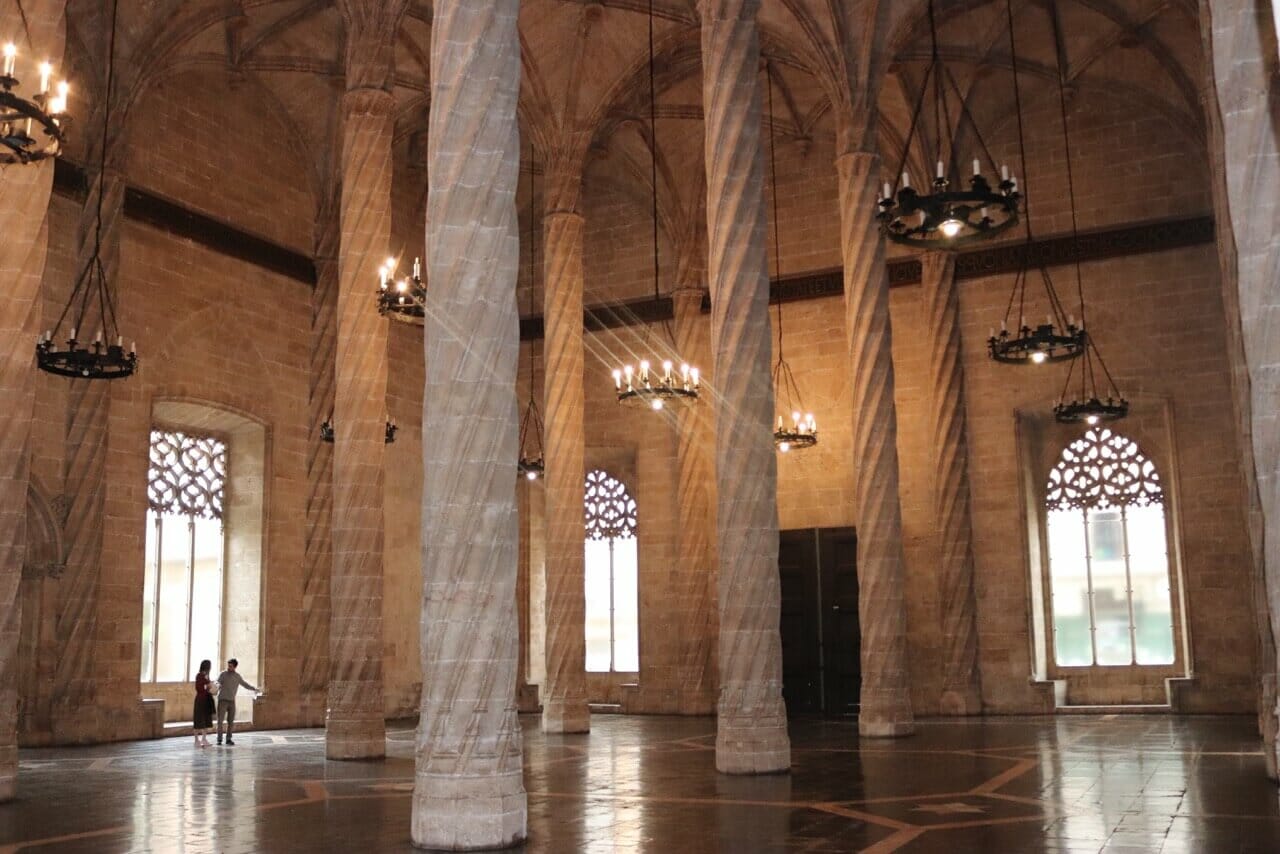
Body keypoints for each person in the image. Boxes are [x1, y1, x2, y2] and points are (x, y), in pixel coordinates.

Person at [215, 658, 258, 746]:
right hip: (222, 700)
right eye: (228, 665)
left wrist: (254, 688)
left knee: (231, 721)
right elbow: (217, 682)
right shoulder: (223, 674)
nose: (228, 667)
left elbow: (245, 684)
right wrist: (217, 684)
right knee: (220, 720)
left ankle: (228, 739)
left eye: (230, 666)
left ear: (235, 667)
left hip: (231, 701)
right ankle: (219, 739)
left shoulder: (237, 676)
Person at [193, 659, 215, 748]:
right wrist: (208, 684)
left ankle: (204, 739)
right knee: (198, 720)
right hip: (200, 700)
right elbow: (199, 688)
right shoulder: (199, 676)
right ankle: (196, 740)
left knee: (206, 720)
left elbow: (208, 688)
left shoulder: (206, 676)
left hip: (206, 700)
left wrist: (209, 685)